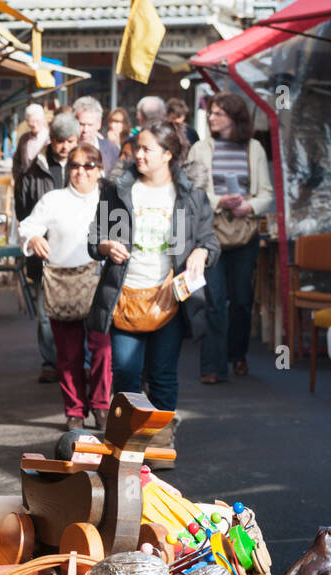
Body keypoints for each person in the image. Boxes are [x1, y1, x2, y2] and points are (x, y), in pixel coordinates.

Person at [87, 121, 220, 462]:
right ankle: (129, 446)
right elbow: (94, 237)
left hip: (168, 297)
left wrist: (201, 252)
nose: (138, 155)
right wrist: (105, 246)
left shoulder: (191, 196)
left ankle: (160, 442)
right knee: (127, 373)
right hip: (124, 294)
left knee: (162, 374)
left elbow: (209, 240)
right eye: (137, 148)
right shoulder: (118, 189)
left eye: (147, 149)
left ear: (168, 154)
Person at [19, 141, 111, 430]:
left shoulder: (109, 200)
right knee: (68, 352)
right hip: (62, 281)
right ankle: (74, 410)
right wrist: (34, 239)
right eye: (74, 165)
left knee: (102, 349)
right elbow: (27, 226)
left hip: (99, 281)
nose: (81, 171)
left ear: (99, 170)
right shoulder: (53, 199)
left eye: (88, 165)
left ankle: (101, 405)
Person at [184, 92, 274, 381]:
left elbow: (267, 193)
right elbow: (192, 191)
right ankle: (212, 366)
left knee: (242, 300)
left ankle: (238, 354)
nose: (211, 117)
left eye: (218, 113)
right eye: (211, 112)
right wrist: (218, 201)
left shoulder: (255, 148)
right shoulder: (200, 148)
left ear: (235, 117)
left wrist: (250, 205)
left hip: (245, 233)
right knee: (214, 299)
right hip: (211, 234)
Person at [16, 112, 80, 383]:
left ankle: (77, 362)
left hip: (77, 249)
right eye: (59, 141)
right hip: (45, 253)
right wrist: (33, 234)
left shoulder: (84, 164)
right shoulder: (35, 169)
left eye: (70, 140)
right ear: (50, 140)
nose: (65, 146)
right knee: (45, 313)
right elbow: (23, 209)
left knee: (79, 309)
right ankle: (50, 362)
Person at [74, 95, 119, 175]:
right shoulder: (67, 149)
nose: (85, 130)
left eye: (90, 125)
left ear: (99, 123)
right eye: (81, 124)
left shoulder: (111, 149)